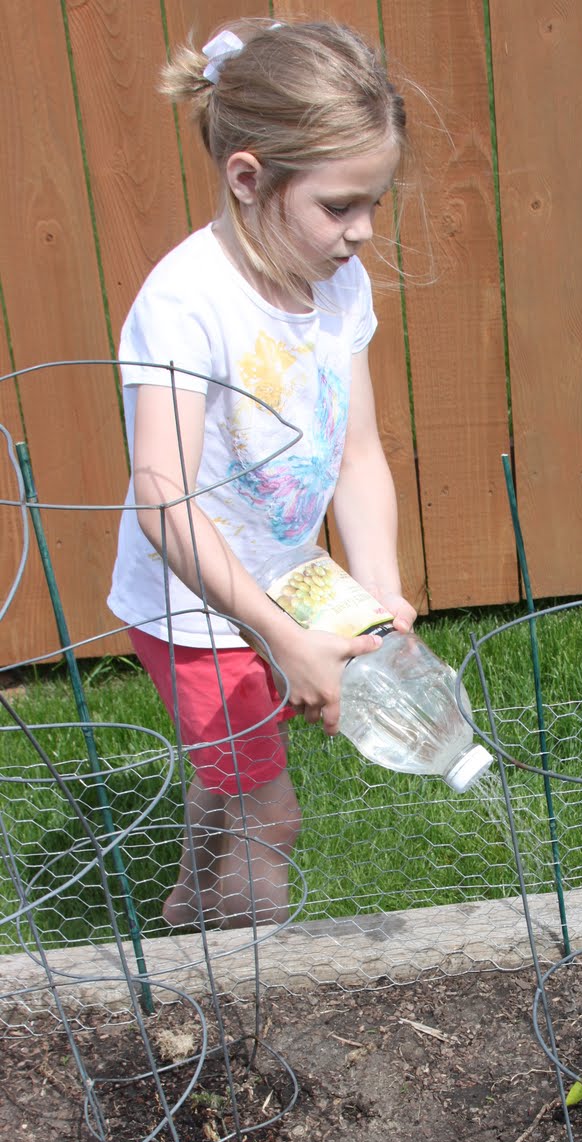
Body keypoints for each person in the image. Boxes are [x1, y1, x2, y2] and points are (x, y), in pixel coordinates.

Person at [107, 17, 417, 930]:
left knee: (234, 770)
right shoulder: (185, 304)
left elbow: (358, 452)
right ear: (248, 178)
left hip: (287, 573)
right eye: (338, 206)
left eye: (374, 204)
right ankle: (247, 999)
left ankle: (185, 909)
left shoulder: (335, 286)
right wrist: (278, 633)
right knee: (269, 811)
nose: (361, 232)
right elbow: (163, 496)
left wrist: (381, 594)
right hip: (197, 605)